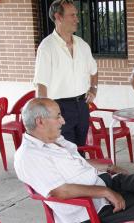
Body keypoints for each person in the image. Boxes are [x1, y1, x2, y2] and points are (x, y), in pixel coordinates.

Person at [34, 0, 98, 147]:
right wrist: (45, 115)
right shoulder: (46, 47)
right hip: (59, 108)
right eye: (72, 15)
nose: (77, 19)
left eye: (76, 15)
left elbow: (93, 70)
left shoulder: (82, 44)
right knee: (64, 151)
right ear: (59, 17)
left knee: (80, 148)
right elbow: (41, 85)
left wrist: (93, 89)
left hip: (82, 105)